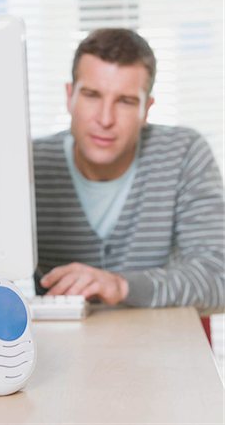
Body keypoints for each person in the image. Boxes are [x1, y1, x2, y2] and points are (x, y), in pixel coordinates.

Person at [33, 28, 224, 314]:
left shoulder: (183, 153)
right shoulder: (32, 164)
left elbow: (218, 279)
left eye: (125, 101)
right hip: (57, 349)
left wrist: (121, 286)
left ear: (146, 109)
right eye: (92, 95)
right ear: (69, 97)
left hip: (161, 348)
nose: (105, 119)